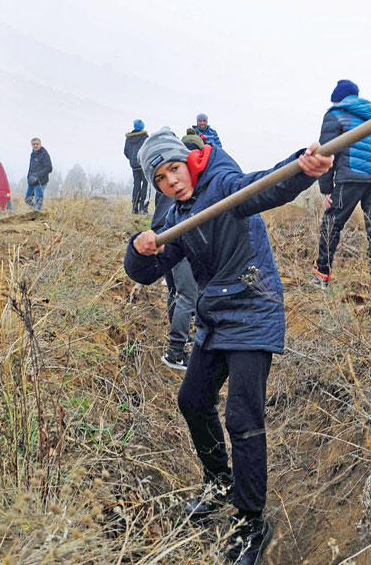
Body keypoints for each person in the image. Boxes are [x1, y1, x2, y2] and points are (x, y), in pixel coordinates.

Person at [124, 127, 332, 565]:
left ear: (189, 161)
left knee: (242, 417)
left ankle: (250, 519)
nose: (171, 182)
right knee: (192, 399)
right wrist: (139, 250)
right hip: (216, 316)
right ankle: (219, 481)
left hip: (253, 308)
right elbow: (145, 272)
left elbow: (265, 187)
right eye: (160, 178)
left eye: (174, 169)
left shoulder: (221, 183)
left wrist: (302, 167)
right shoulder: (175, 212)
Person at [312, 79, 371, 290]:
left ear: (337, 97)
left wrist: (327, 188)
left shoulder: (336, 112)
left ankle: (322, 275)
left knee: (332, 224)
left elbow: (326, 151)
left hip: (352, 176)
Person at [150, 129, 202, 370]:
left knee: (174, 292)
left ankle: (178, 340)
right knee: (187, 295)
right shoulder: (186, 176)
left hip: (161, 236)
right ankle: (176, 351)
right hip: (176, 238)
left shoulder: (165, 169)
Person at [125, 119, 149, 214]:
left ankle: (134, 208)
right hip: (143, 164)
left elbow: (125, 151)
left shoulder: (129, 138)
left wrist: (132, 159)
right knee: (146, 184)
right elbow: (148, 150)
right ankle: (143, 208)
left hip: (134, 165)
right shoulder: (145, 137)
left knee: (136, 184)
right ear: (142, 126)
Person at [26, 137, 53, 211]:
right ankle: (37, 211)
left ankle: (38, 214)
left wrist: (37, 175)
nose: (35, 145)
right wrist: (28, 177)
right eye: (33, 144)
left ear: (40, 144)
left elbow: (49, 168)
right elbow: (31, 167)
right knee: (27, 200)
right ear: (31, 145)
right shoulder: (32, 154)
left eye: (37, 144)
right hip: (32, 181)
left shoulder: (44, 154)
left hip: (41, 182)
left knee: (38, 201)